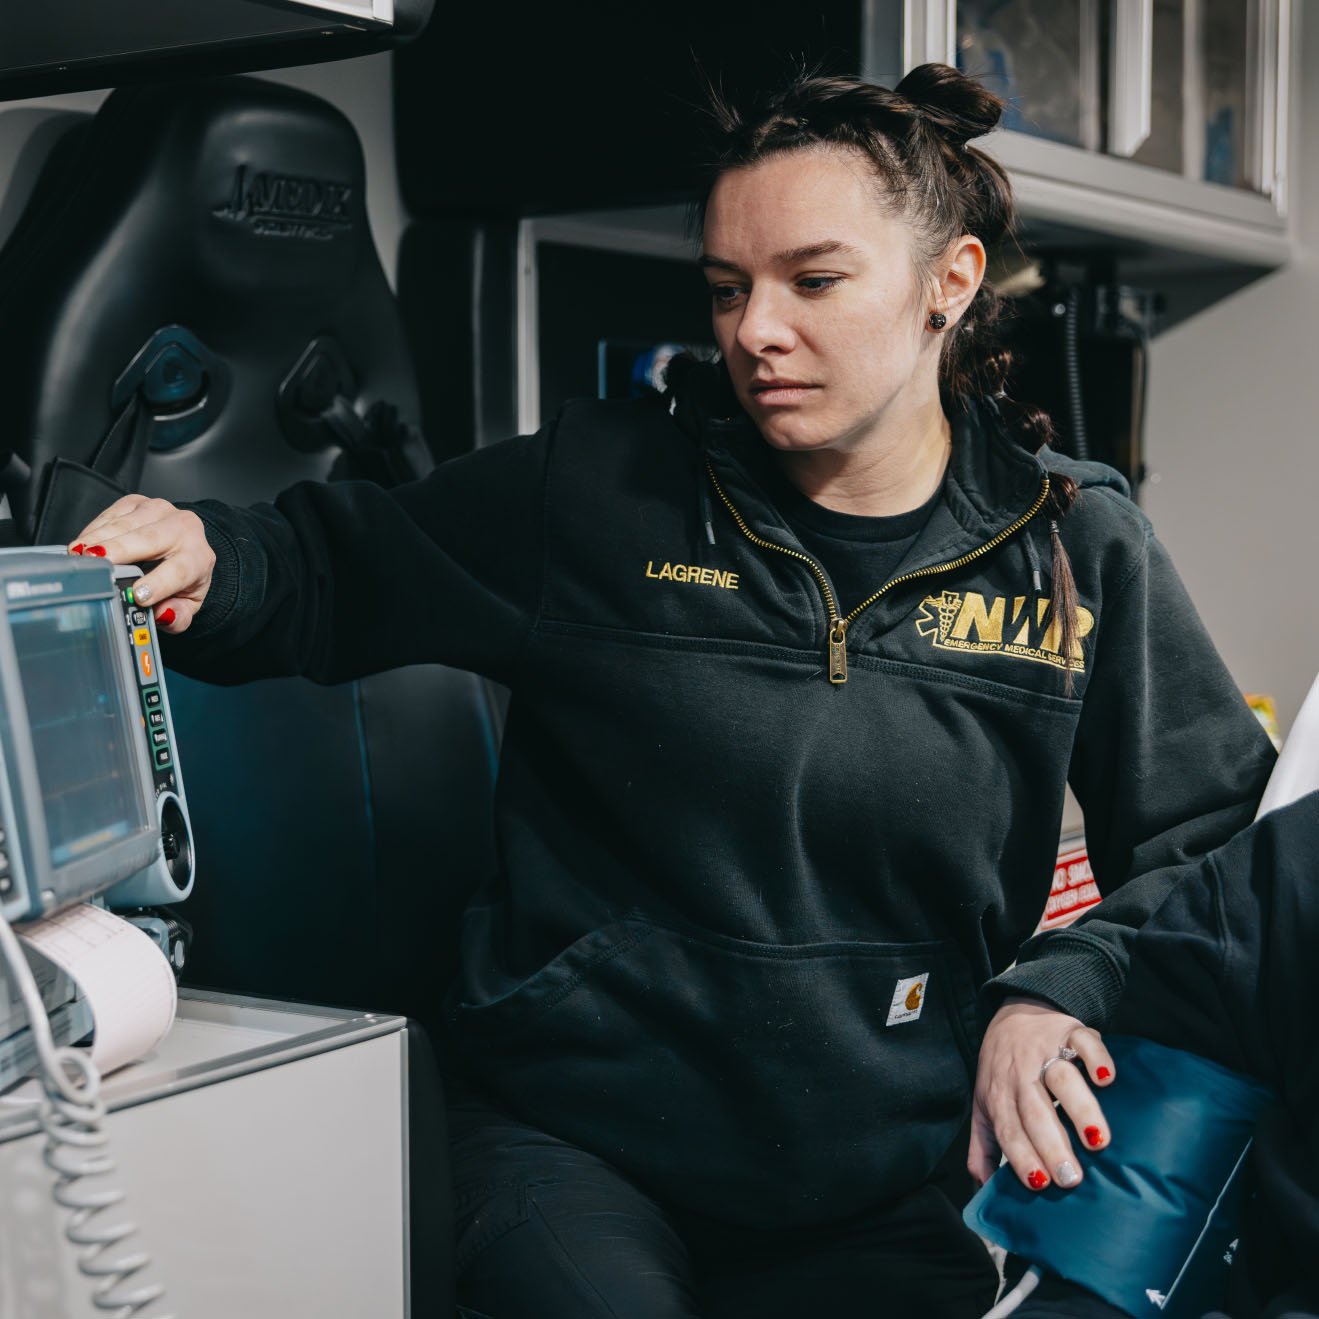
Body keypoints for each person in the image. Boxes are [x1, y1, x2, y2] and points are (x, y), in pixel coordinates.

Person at [68, 64, 1274, 1317]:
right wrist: (209, 556)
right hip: (569, 1143)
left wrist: (1060, 981)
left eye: (811, 280)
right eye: (724, 287)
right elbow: (326, 565)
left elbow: (1216, 849)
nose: (754, 328)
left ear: (948, 285)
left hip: (869, 1177)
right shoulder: (599, 492)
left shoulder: (1075, 546)